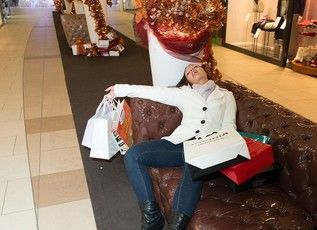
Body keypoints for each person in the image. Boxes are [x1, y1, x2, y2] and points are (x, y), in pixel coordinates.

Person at [105, 64, 237, 230]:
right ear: (187, 80)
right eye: (187, 72)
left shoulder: (226, 96)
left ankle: (176, 226)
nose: (191, 70)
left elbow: (229, 126)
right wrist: (119, 89)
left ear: (206, 70)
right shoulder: (183, 93)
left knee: (194, 162)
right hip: (178, 145)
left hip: (207, 147)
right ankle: (152, 216)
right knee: (133, 155)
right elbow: (152, 91)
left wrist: (223, 147)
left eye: (195, 67)